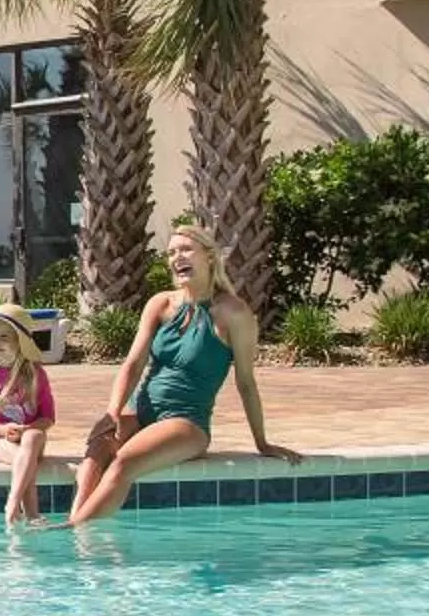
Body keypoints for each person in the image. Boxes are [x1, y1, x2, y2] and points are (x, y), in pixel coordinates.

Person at [67, 222, 299, 523]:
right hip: (141, 410)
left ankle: (74, 531)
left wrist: (262, 442)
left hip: (185, 421)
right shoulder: (160, 304)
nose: (177, 257)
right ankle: (75, 523)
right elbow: (133, 364)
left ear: (209, 257)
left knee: (123, 463)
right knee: (97, 448)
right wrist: (112, 413)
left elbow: (246, 383)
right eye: (171, 252)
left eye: (186, 249)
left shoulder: (234, 313)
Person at [0, 303, 57, 523]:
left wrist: (27, 429)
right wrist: (2, 429)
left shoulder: (35, 375)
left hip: (31, 441)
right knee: (23, 460)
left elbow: (48, 418)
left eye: (4, 336)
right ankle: (31, 514)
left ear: (19, 342)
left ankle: (13, 504)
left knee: (32, 439)